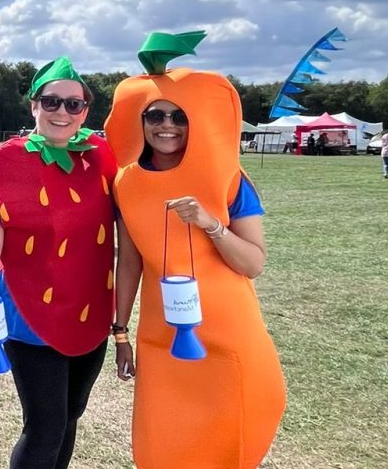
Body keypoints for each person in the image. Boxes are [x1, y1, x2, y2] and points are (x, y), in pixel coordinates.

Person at [102, 31, 285, 469]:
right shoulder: (126, 183)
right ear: (141, 122)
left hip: (228, 331)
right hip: (161, 335)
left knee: (231, 431)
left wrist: (210, 224)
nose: (167, 125)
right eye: (156, 115)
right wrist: (121, 332)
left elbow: (253, 264)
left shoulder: (230, 180)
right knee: (165, 436)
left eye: (179, 117)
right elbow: (128, 262)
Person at [0, 57, 116, 469]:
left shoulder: (100, 156)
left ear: (86, 110)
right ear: (33, 106)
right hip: (30, 314)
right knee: (45, 427)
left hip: (91, 309)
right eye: (51, 102)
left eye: (74, 104)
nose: (63, 113)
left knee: (70, 417)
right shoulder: (8, 160)